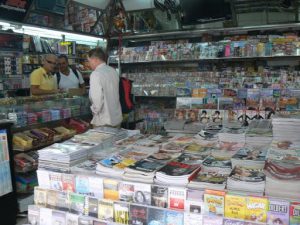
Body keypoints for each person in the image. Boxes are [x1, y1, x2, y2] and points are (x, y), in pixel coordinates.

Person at [87, 47, 122, 127]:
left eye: (89, 61)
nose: (89, 64)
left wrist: (93, 110)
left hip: (103, 121)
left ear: (95, 59)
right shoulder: (113, 71)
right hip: (116, 118)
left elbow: (97, 99)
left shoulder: (96, 74)